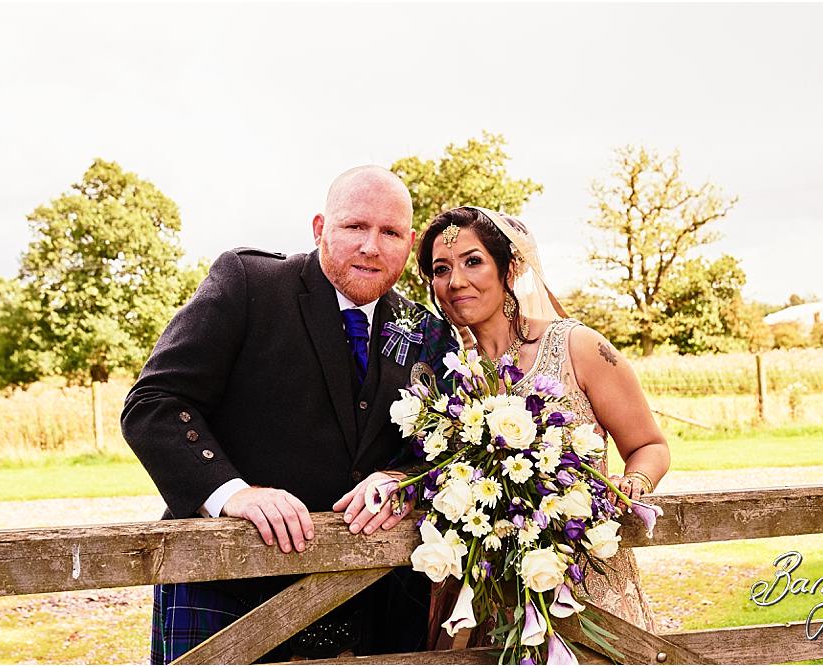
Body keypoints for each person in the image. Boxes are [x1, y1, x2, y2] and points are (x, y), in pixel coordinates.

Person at [121, 166, 458, 663]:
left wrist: (400, 479)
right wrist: (233, 493)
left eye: (389, 233)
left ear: (409, 243)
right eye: (354, 227)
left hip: (375, 597)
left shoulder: (428, 332)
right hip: (232, 586)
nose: (371, 245)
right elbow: (154, 405)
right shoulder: (250, 282)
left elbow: (442, 448)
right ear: (320, 227)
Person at [416, 206, 671, 646]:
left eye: (472, 261)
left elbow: (650, 445)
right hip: (491, 601)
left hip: (585, 580)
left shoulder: (578, 346)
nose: (455, 281)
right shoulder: (449, 376)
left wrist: (635, 481)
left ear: (510, 268)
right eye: (442, 269)